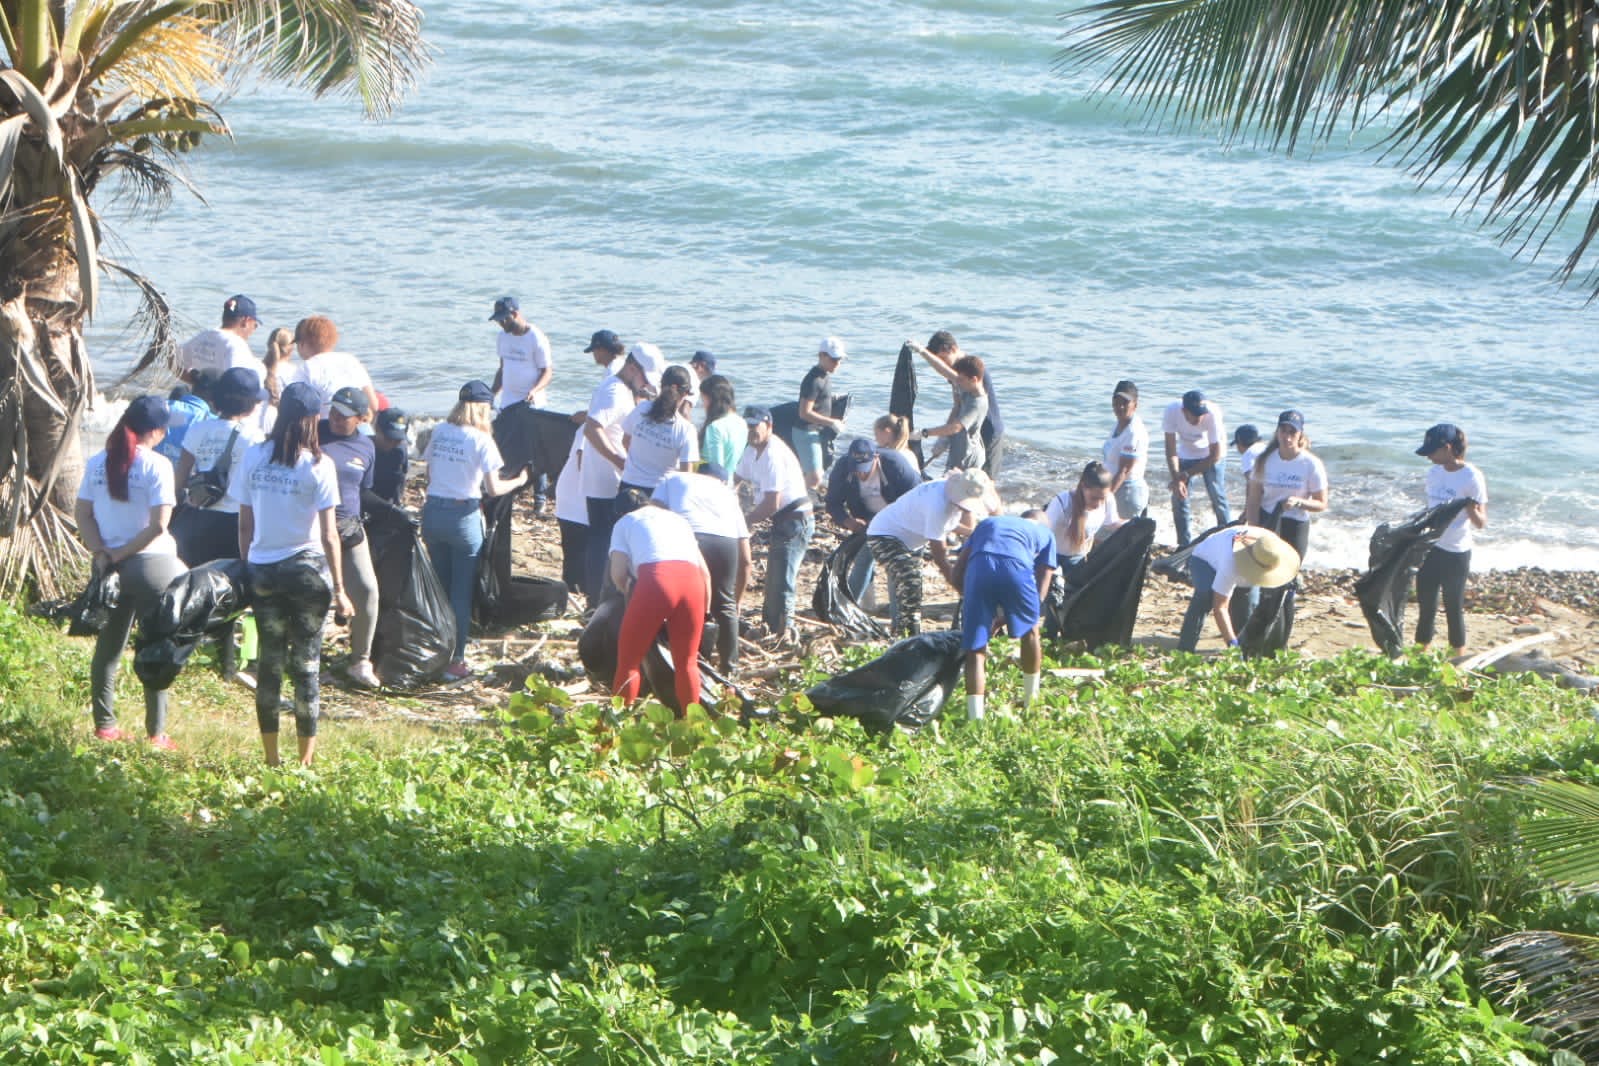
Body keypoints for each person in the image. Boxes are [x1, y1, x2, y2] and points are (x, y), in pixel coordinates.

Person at [229, 381, 352, 767]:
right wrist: (341, 590)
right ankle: (304, 762)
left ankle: (271, 758)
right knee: (306, 667)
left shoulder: (254, 456)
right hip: (306, 571)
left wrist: (248, 568)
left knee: (270, 664)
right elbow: (329, 534)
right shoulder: (318, 465)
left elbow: (244, 525)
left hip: (263, 568)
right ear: (312, 420)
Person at [74, 396, 187, 749]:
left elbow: (82, 513)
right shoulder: (158, 465)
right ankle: (156, 733)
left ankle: (105, 726)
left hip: (109, 568)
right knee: (155, 647)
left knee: (108, 649)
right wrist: (123, 553)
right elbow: (159, 526)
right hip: (153, 564)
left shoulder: (98, 462)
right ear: (156, 431)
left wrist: (102, 553)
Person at [421, 381, 528, 681]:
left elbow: (430, 472)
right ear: (483, 409)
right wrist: (520, 481)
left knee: (440, 586)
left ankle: (434, 649)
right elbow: (493, 488)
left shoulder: (440, 431)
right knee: (461, 591)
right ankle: (456, 659)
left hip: (433, 512)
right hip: (462, 515)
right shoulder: (482, 440)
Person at [866, 468, 999, 637]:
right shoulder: (937, 505)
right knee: (910, 580)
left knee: (906, 585)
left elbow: (990, 517)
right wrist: (961, 589)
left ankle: (899, 627)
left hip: (914, 535)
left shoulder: (974, 489)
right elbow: (941, 560)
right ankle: (909, 636)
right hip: (885, 535)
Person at [951, 510, 1056, 720]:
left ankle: (975, 719)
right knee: (1031, 632)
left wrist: (969, 598)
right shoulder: (1046, 533)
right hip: (1017, 567)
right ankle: (1031, 703)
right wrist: (1022, 614)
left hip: (979, 568)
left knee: (975, 648)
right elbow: (1043, 581)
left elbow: (958, 570)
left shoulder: (989, 522)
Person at [608, 500, 711, 711]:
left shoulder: (625, 522)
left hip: (657, 581)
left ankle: (617, 721)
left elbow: (618, 574)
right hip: (693, 584)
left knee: (629, 662)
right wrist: (706, 613)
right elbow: (705, 574)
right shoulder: (679, 521)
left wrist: (631, 594)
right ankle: (693, 723)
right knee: (687, 663)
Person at [581, 343, 665, 599]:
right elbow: (591, 428)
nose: (646, 384)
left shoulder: (623, 390)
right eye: (644, 379)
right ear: (631, 368)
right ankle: (596, 600)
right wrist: (620, 461)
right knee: (602, 541)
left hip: (607, 478)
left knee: (605, 540)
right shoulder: (615, 391)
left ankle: (599, 598)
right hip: (604, 480)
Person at [654, 467, 750, 675]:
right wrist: (736, 602)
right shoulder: (726, 492)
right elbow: (746, 560)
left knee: (683, 600)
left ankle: (682, 662)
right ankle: (730, 670)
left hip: (689, 532)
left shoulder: (671, 478)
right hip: (725, 540)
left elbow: (653, 515)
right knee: (724, 605)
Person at [319, 387, 381, 688]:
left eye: (343, 416)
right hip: (315, 526)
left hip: (348, 526)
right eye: (333, 411)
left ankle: (360, 661)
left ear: (361, 418)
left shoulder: (366, 446)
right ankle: (306, 657)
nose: (334, 418)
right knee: (315, 593)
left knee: (367, 590)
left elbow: (364, 489)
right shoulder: (313, 434)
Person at [173, 367, 266, 566]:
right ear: (251, 406)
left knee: (194, 577)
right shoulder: (254, 437)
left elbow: (180, 480)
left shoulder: (198, 429)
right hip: (234, 523)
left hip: (198, 519)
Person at [736, 405, 813, 644]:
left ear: (769, 425)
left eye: (755, 426)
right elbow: (735, 479)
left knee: (783, 580)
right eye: (747, 426)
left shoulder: (773, 453)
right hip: (781, 520)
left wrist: (744, 522)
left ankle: (785, 633)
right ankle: (770, 627)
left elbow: (772, 503)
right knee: (773, 579)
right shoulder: (751, 451)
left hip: (796, 520)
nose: (751, 431)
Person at [1413, 423, 1488, 654]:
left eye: (1432, 451)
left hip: (1456, 552)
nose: (1429, 457)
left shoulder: (1471, 477)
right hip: (1431, 546)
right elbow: (1431, 510)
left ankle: (1457, 659)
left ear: (1447, 448)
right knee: (1426, 605)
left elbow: (1481, 523)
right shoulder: (1434, 473)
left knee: (1453, 606)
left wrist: (1470, 507)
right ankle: (1420, 655)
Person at [1176, 525, 1300, 652]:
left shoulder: (1273, 550)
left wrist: (1288, 595)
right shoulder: (1230, 563)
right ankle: (1185, 648)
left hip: (1243, 563)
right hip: (1205, 561)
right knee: (1205, 597)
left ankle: (1246, 651)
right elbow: (1220, 607)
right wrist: (1232, 643)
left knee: (1247, 614)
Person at [825, 437, 921, 601]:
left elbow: (918, 497)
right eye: (856, 470)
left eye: (865, 469)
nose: (861, 474)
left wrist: (897, 526)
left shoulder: (895, 464)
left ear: (876, 458)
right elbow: (833, 503)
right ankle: (851, 605)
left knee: (896, 568)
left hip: (904, 519)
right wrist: (848, 521)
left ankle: (898, 614)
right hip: (869, 521)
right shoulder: (842, 468)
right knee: (863, 560)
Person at [489, 296, 554, 510]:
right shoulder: (502, 337)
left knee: (535, 450)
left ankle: (540, 498)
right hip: (508, 401)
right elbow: (502, 369)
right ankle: (507, 492)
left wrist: (534, 390)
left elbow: (547, 371)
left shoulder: (536, 337)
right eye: (498, 320)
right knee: (506, 446)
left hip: (532, 403)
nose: (501, 323)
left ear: (515, 314)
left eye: (504, 319)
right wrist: (491, 393)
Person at [1244, 410, 1328, 562]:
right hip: (1267, 518)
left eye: (1292, 432)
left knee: (1292, 566)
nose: (1287, 437)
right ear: (1277, 432)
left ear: (1300, 435)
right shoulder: (1264, 460)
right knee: (1265, 565)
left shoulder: (1311, 464)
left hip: (1296, 522)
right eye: (1283, 431)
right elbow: (1253, 500)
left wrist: (1298, 502)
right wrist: (1253, 532)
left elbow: (1321, 503)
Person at [924, 330, 1005, 480]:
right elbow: (957, 406)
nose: (943, 364)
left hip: (989, 430)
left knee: (986, 482)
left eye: (943, 359)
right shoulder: (958, 374)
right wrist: (943, 438)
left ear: (953, 349)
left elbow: (967, 411)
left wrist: (927, 433)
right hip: (968, 430)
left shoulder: (972, 370)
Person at [1163, 388, 1230, 547]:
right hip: (1186, 453)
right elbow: (1171, 450)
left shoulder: (1213, 413)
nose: (1199, 418)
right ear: (1184, 411)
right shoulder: (1172, 411)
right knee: (1179, 497)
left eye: (1201, 414)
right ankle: (1183, 545)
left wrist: (1186, 474)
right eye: (1195, 414)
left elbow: (1215, 455)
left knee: (1216, 494)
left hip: (1211, 455)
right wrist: (1177, 478)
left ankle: (1227, 540)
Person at [276, 315, 378, 418]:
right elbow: (374, 405)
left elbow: (293, 408)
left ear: (303, 343)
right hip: (356, 422)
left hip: (326, 425)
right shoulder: (351, 360)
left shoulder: (306, 368)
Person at [618, 365, 699, 495]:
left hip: (628, 487)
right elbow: (686, 475)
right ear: (684, 394)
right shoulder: (686, 429)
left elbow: (625, 441)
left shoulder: (642, 409)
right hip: (661, 494)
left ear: (661, 386)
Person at [1044, 461, 1125, 581]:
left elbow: (1112, 523)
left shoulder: (1108, 500)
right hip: (1051, 554)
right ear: (1083, 487)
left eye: (1102, 499)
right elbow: (1043, 535)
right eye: (1094, 498)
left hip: (1077, 555)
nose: (1098, 504)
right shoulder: (1062, 503)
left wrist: (1135, 524)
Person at [914, 347, 988, 473]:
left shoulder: (977, 403)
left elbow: (955, 428)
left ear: (974, 380)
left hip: (968, 458)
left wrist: (924, 433)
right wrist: (922, 351)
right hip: (957, 449)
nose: (957, 383)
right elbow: (945, 371)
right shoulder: (968, 387)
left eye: (961, 380)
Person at [794, 337, 848, 490]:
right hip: (806, 432)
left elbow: (817, 399)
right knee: (815, 476)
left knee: (818, 471)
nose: (837, 363)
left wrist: (830, 399)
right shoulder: (814, 380)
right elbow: (804, 413)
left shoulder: (824, 376)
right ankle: (799, 499)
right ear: (821, 356)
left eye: (840, 359)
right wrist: (832, 422)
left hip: (817, 431)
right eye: (834, 359)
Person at [176, 294, 263, 382]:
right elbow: (236, 382)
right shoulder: (237, 345)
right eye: (255, 325)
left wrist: (196, 383)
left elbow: (173, 361)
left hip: (200, 390)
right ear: (246, 321)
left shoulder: (203, 336)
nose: (253, 330)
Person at [1103, 380, 1149, 517]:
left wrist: (1104, 499)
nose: (1120, 406)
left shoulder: (1134, 432)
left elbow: (1124, 471)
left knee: (1119, 530)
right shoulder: (1119, 424)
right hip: (1116, 489)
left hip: (1127, 493)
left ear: (1135, 405)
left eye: (1125, 403)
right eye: (1117, 402)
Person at [699, 374, 743, 479]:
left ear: (712, 400)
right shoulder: (741, 422)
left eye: (703, 399)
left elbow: (717, 469)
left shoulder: (715, 428)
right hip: (732, 482)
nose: (703, 405)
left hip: (713, 484)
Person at [370, 408, 410, 505]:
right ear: (377, 429)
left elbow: (402, 476)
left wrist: (398, 499)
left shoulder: (400, 450)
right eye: (389, 439)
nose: (393, 444)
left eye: (398, 440)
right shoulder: (364, 448)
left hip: (389, 504)